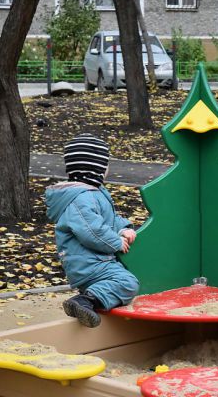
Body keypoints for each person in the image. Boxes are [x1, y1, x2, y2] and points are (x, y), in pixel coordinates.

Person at [45, 134, 139, 327]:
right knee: (128, 283)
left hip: (94, 261)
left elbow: (108, 219)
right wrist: (115, 242)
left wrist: (123, 227)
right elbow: (92, 231)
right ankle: (84, 301)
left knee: (123, 281)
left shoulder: (94, 194)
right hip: (90, 263)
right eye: (106, 164)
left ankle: (88, 299)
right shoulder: (81, 199)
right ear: (96, 168)